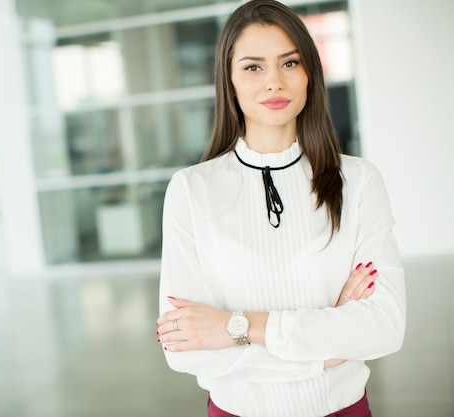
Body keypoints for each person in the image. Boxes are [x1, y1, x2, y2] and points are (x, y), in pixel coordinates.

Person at [155, 1, 406, 416]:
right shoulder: (191, 190)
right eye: (253, 67)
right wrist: (326, 349)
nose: (274, 81)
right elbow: (185, 349)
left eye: (289, 64)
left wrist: (236, 328)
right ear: (229, 81)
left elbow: (385, 327)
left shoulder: (359, 181)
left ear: (310, 74)